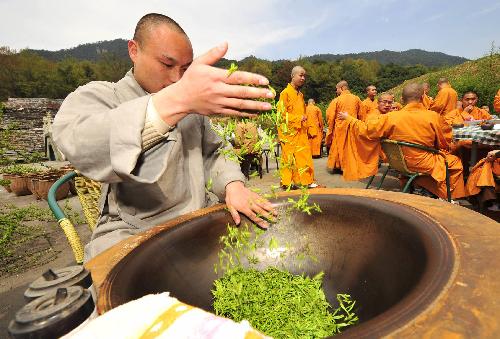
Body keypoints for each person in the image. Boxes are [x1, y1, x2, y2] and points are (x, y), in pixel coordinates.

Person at [52, 13, 276, 261]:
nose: (176, 79)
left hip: (200, 216)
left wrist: (233, 185)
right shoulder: (105, 96)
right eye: (167, 65)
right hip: (136, 230)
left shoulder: (194, 110)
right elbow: (79, 143)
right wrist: (175, 102)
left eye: (185, 69)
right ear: (134, 50)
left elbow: (215, 151)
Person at [337, 83, 466, 200]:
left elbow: (366, 129)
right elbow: (445, 142)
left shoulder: (390, 117)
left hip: (398, 162)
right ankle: (447, 196)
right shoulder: (433, 117)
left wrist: (349, 119)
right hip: (424, 162)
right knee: (456, 163)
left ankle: (421, 186)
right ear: (423, 98)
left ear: (402, 100)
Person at [277, 66, 318, 188]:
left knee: (304, 156)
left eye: (304, 76)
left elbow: (304, 113)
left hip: (301, 131)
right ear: (292, 76)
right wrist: (297, 118)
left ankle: (306, 181)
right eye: (300, 75)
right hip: (288, 132)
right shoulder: (285, 93)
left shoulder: (300, 95)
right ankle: (287, 183)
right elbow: (281, 116)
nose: (303, 78)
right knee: (288, 158)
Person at [325, 80, 362, 173]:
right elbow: (362, 114)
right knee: (351, 147)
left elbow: (330, 115)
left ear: (341, 88)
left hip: (340, 129)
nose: (336, 91)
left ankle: (339, 166)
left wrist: (330, 128)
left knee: (339, 147)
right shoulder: (356, 99)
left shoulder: (336, 100)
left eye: (337, 89)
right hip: (353, 126)